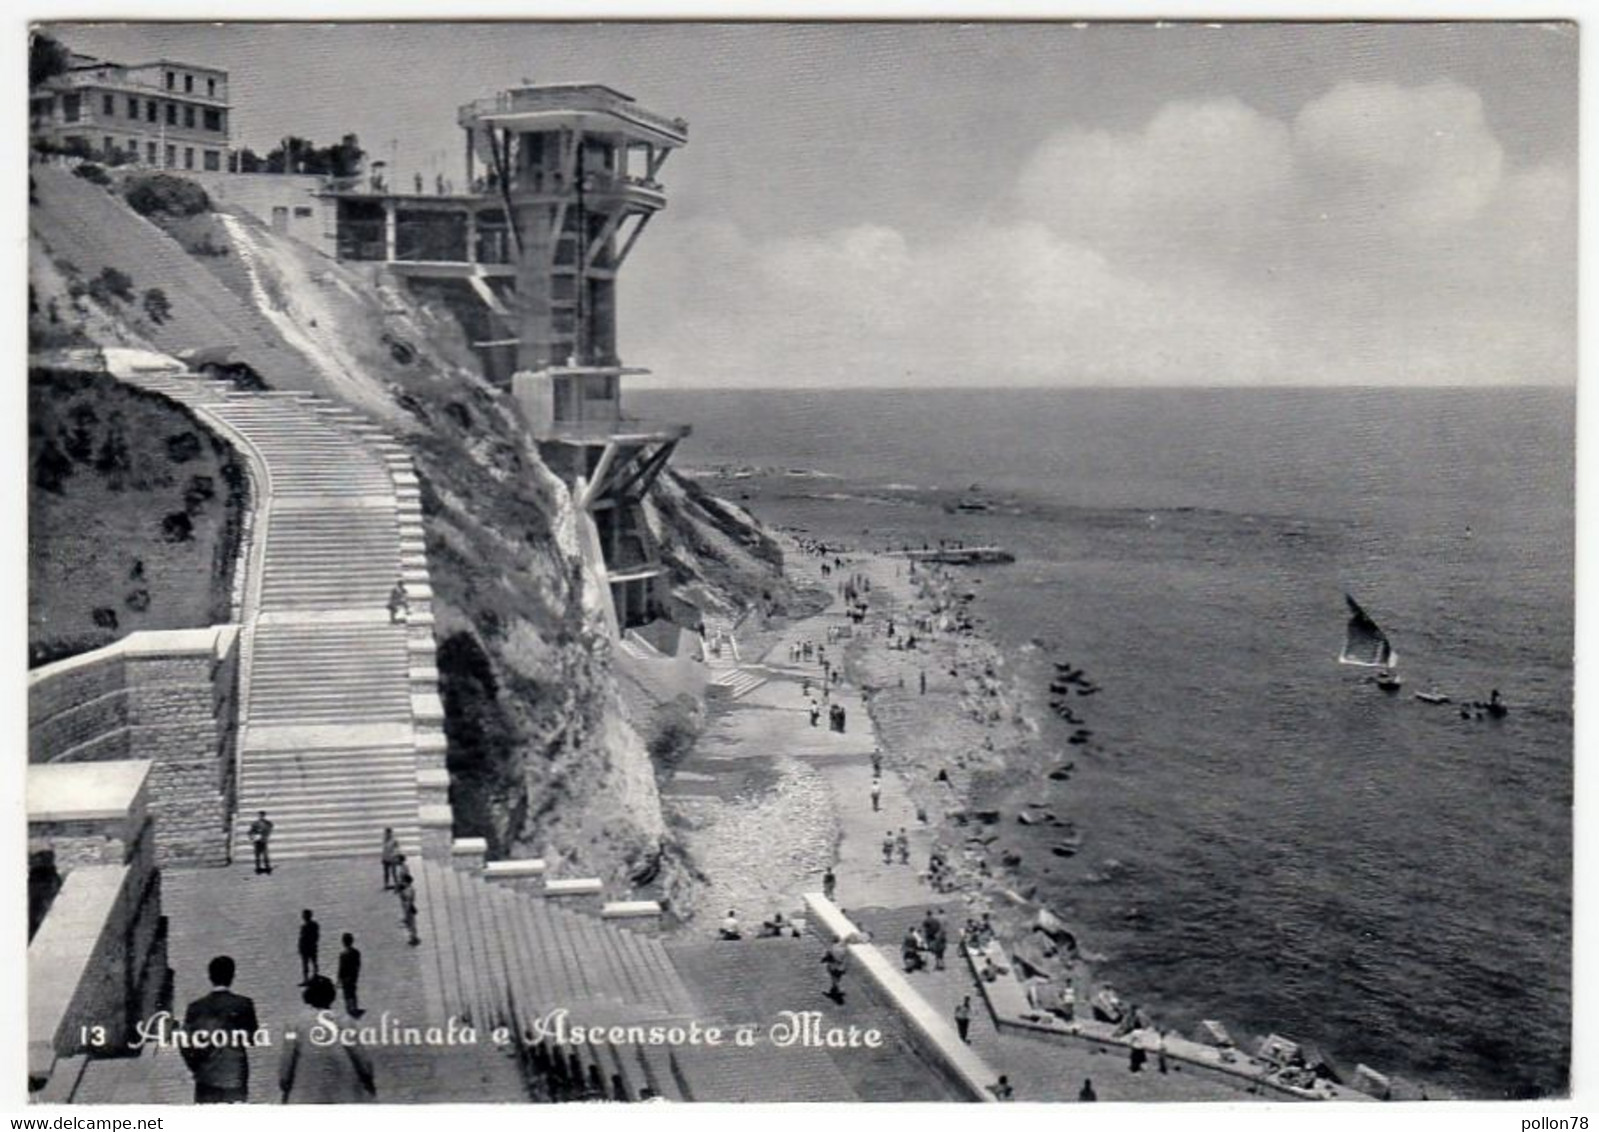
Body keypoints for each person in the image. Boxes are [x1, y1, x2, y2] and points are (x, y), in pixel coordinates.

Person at [279, 976, 376, 1103]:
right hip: (343, 1093)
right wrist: (367, 1079)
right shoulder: (345, 1020)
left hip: (307, 1094)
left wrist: (285, 1082)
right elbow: (360, 1056)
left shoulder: (295, 1023)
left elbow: (288, 1058)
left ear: (307, 996)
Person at [180, 955, 260, 1104]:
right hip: (235, 1074)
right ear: (232, 976)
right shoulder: (244, 1004)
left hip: (206, 1075)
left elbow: (184, 1043)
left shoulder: (196, 1007)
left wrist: (195, 1066)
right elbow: (252, 1038)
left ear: (210, 977)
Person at [337, 933, 362, 1017]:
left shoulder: (343, 954)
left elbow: (341, 968)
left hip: (345, 977)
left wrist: (339, 980)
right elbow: (358, 964)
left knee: (346, 993)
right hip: (353, 976)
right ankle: (355, 1006)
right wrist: (356, 974)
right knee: (353, 991)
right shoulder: (356, 952)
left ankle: (348, 1008)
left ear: (343, 942)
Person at [298, 909, 320, 984]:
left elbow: (303, 938)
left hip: (308, 947)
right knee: (310, 963)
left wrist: (301, 947)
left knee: (308, 963)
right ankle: (312, 977)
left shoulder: (306, 926)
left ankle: (309, 978)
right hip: (310, 947)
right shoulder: (314, 925)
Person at [248, 811, 273, 875]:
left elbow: (269, 830)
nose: (261, 817)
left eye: (262, 815)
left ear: (264, 816)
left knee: (265, 855)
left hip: (264, 841)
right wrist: (252, 837)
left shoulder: (268, 823)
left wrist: (265, 836)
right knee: (257, 855)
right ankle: (258, 869)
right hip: (257, 841)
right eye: (259, 815)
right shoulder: (255, 823)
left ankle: (267, 869)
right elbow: (250, 832)